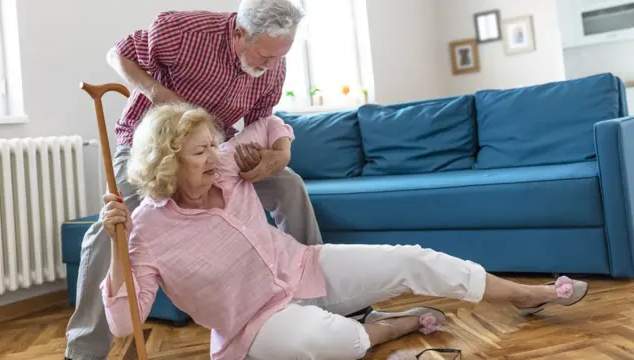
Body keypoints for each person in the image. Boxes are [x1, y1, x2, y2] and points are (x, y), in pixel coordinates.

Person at [99, 102, 589, 360]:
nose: (215, 155)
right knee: (339, 344)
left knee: (412, 259)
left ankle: (525, 294)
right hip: (254, 325)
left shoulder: (228, 166)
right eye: (200, 151)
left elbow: (269, 122)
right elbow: (126, 324)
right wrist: (116, 249)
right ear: (167, 162)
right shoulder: (145, 232)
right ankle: (396, 324)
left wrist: (276, 155)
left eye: (213, 144)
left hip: (302, 269)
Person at [64, 1, 326, 359]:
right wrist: (158, 95)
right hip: (151, 149)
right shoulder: (185, 32)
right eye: (265, 57)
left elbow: (261, 120)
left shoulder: (272, 65)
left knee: (289, 184)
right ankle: (84, 350)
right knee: (113, 227)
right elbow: (118, 53)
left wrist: (276, 155)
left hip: (212, 149)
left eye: (278, 58)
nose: (271, 67)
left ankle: (314, 294)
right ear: (239, 34)